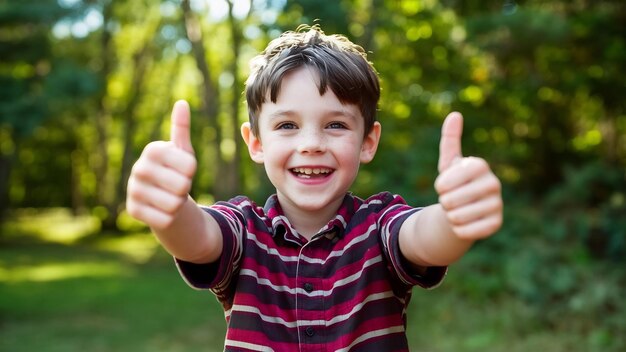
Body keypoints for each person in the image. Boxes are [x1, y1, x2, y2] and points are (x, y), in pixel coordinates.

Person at [126, 25, 502, 351]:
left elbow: (422, 237)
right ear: (255, 142)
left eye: (335, 125)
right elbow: (199, 237)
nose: (311, 143)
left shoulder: (379, 225)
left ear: (367, 142)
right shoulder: (243, 229)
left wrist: (454, 218)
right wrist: (172, 211)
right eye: (287, 125)